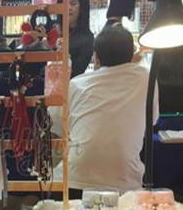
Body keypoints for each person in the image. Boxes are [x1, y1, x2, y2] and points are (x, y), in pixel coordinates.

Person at [67, 25, 158, 194]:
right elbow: (151, 121)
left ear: (96, 57)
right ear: (132, 53)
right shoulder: (146, 78)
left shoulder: (76, 84)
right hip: (124, 181)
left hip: (77, 179)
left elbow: (60, 126)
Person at [58, 0, 94, 79]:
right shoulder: (53, 31)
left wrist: (64, 53)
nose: (68, 8)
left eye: (73, 3)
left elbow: (78, 70)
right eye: (64, 3)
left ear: (82, 6)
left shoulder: (87, 38)